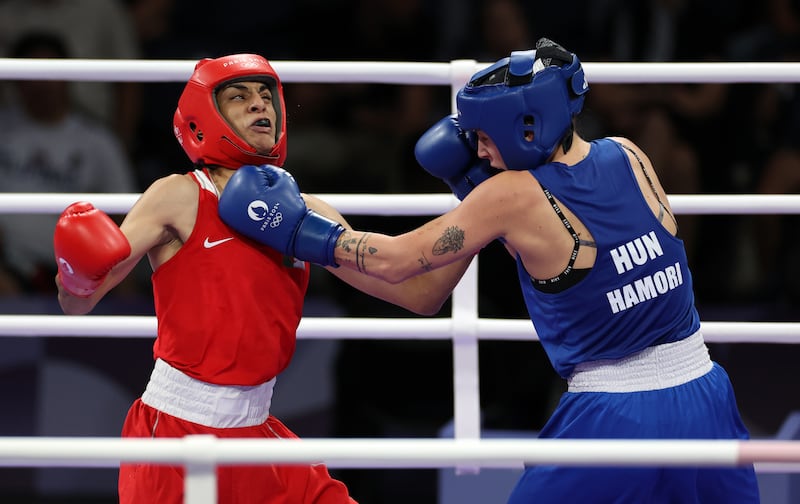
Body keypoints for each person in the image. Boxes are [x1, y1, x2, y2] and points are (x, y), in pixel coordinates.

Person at [218, 39, 761, 503]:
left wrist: (298, 230)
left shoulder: (510, 195)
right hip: (707, 392)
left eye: (481, 134)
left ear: (523, 127)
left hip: (617, 415)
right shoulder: (629, 153)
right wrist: (477, 196)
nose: (476, 147)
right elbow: (435, 292)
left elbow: (398, 261)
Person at [53, 53, 472, 503]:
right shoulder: (179, 196)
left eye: (266, 96)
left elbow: (420, 293)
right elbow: (78, 302)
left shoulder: (306, 212)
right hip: (174, 432)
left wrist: (477, 203)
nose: (260, 105)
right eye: (239, 97)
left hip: (258, 434)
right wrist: (75, 273)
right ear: (203, 117)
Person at [0, 31, 138, 295]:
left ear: (67, 76)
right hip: (7, 263)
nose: (42, 83)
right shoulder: (2, 130)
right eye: (31, 73)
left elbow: (127, 215)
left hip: (78, 268)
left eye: (49, 71)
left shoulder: (97, 141)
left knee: (126, 281)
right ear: (16, 80)